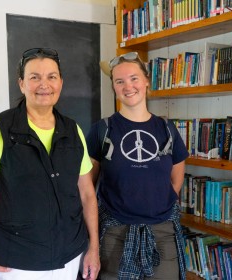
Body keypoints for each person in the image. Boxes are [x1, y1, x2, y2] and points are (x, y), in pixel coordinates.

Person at [0, 48, 100, 280]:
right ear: (21, 84)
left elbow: (87, 194)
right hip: (17, 262)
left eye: (51, 77)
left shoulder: (73, 130)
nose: (44, 84)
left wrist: (94, 248)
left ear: (60, 82)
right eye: (34, 77)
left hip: (69, 257)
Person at [86, 52, 189, 280]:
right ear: (113, 86)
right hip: (115, 233)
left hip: (162, 233)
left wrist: (158, 202)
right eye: (119, 81)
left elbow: (177, 177)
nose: (127, 86)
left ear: (146, 81)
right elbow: (86, 189)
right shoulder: (101, 130)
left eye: (133, 78)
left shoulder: (166, 129)